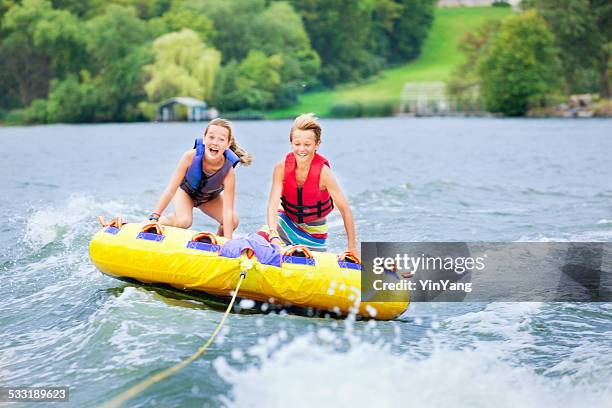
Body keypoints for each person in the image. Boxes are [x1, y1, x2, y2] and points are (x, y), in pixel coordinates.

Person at [264, 113, 356, 253]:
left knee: (303, 256)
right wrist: (273, 234)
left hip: (313, 231)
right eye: (297, 144)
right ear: (291, 144)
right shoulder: (281, 168)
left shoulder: (323, 173)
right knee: (262, 236)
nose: (301, 149)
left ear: (317, 145)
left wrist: (351, 248)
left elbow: (345, 210)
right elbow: (272, 205)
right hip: (286, 221)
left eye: (307, 144)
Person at [148, 118, 252, 239]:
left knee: (233, 220)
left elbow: (227, 210)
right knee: (184, 221)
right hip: (186, 193)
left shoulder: (228, 172)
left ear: (228, 144)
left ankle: (218, 241)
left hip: (209, 199)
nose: (215, 142)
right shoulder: (190, 156)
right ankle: (162, 222)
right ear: (204, 139)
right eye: (211, 137)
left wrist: (228, 241)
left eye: (221, 139)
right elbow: (171, 190)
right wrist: (155, 216)